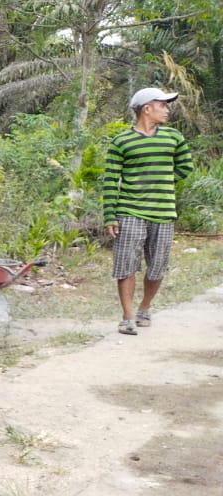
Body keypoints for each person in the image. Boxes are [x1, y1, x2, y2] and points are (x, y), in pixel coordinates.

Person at [102, 87, 194, 335]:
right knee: (126, 265)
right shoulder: (121, 141)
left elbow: (186, 167)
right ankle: (128, 316)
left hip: (163, 212)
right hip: (129, 211)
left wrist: (161, 181)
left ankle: (145, 307)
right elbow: (110, 179)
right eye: (162, 104)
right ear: (147, 108)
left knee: (157, 267)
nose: (167, 109)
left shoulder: (173, 137)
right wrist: (110, 214)